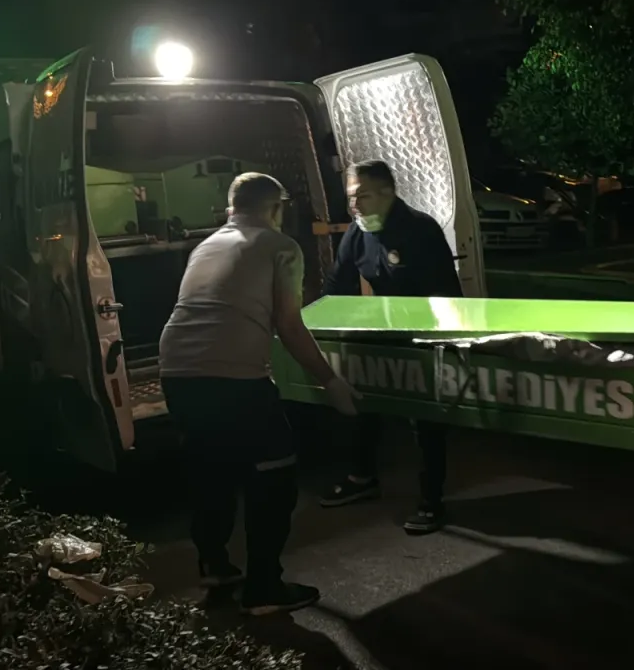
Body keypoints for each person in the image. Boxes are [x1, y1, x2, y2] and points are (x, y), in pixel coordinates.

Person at [159, 172, 360, 616]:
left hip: (176, 370)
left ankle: (215, 567)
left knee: (210, 468)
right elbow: (289, 325)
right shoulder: (280, 247)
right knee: (274, 474)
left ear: (231, 208)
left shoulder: (205, 245)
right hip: (231, 375)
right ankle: (264, 587)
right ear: (276, 208)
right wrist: (330, 380)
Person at [319, 159, 462, 535]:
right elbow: (337, 284)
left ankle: (431, 500)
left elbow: (446, 295)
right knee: (363, 404)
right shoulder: (358, 231)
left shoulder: (420, 229)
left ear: (388, 193)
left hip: (422, 337)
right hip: (381, 335)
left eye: (362, 196)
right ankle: (362, 477)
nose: (354, 205)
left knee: (425, 422)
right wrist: (318, 326)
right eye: (351, 197)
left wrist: (444, 346)